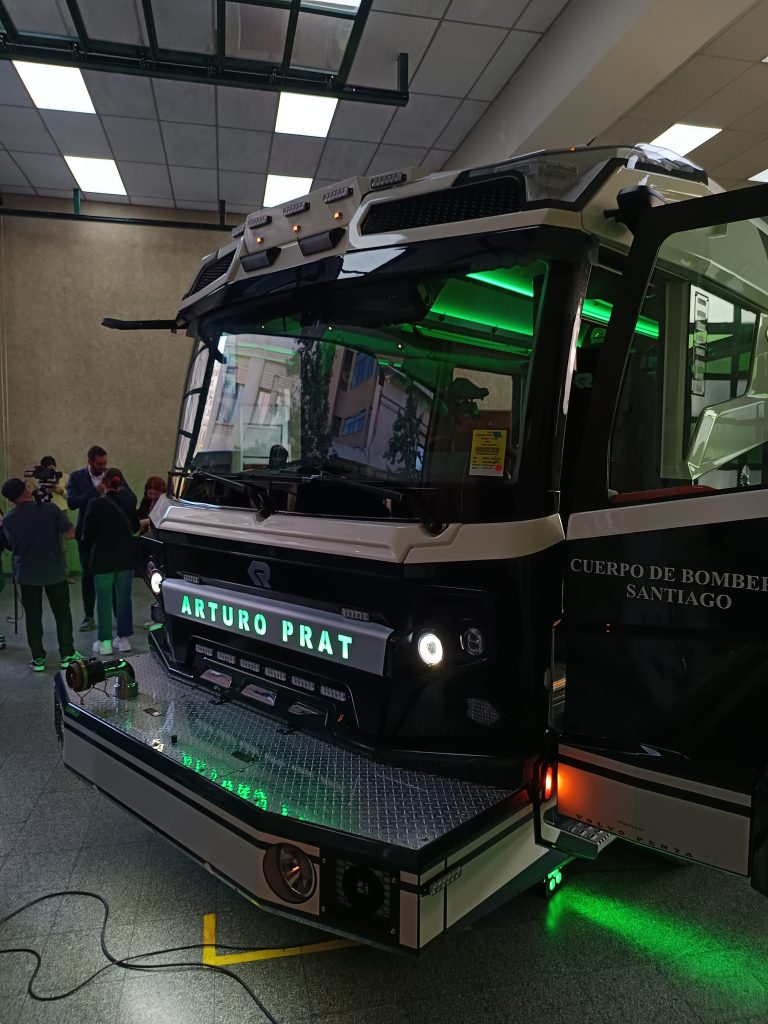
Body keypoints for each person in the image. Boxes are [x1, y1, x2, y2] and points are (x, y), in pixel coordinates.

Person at [1, 477, 82, 672]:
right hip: (53, 571)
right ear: (27, 489)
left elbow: (11, 545)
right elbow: (70, 534)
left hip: (27, 574)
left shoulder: (9, 520)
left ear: (10, 499)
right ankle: (67, 654)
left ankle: (38, 658)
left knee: (33, 616)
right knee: (62, 613)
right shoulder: (50, 509)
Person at [68, 445, 134, 631]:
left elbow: (131, 496)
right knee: (88, 575)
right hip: (87, 534)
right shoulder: (77, 477)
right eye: (99, 463)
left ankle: (116, 615)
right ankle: (88, 616)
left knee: (114, 575)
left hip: (111, 536)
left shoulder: (112, 474)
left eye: (105, 463)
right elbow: (72, 503)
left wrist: (115, 491)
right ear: (90, 461)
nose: (103, 466)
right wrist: (95, 491)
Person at [81, 467, 139, 657]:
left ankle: (104, 642)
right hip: (126, 558)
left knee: (104, 600)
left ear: (103, 484)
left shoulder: (95, 504)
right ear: (121, 483)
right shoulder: (129, 501)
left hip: (102, 560)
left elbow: (87, 535)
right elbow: (136, 527)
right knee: (123, 599)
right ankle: (124, 640)